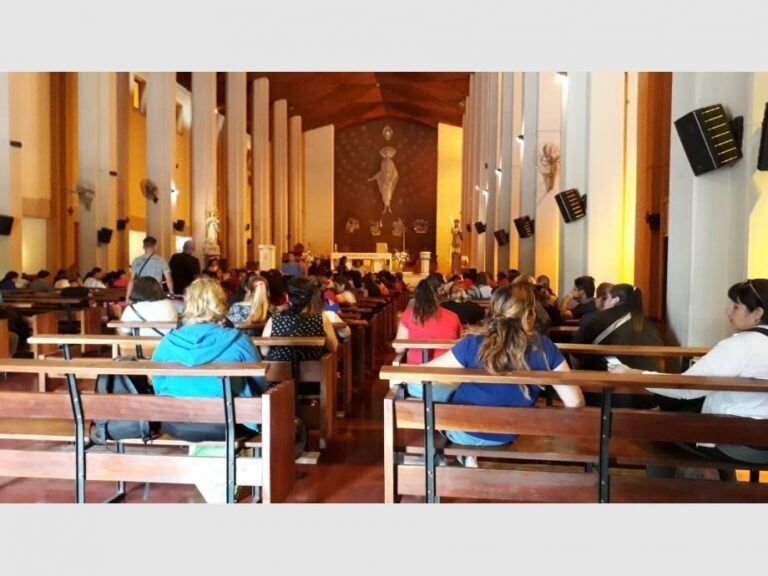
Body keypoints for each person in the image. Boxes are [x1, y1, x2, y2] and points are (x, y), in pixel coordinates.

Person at [609, 279, 768, 470]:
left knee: (652, 430)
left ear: (757, 313)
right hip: (760, 440)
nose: (727, 312)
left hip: (739, 442)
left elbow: (685, 388)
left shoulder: (740, 346)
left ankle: (675, 494)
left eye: (735, 306)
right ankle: (713, 485)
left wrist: (633, 373)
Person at [420, 283, 584, 461]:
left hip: (465, 430)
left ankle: (463, 455)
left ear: (494, 310)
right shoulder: (544, 347)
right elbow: (574, 401)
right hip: (511, 432)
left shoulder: (473, 342)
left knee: (439, 390)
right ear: (530, 313)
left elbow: (427, 371)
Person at [151, 276, 264, 503]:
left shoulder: (168, 342)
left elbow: (158, 383)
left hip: (178, 424)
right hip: (228, 424)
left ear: (188, 303)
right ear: (220, 303)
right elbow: (259, 385)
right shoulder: (238, 340)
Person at [394, 279, 462, 400]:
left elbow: (399, 348)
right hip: (449, 382)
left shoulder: (410, 314)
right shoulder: (453, 316)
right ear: (440, 295)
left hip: (418, 382)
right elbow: (460, 347)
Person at [260, 276, 338, 362]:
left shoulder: (275, 320)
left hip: (280, 371)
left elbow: (264, 351)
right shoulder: (321, 319)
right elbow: (333, 347)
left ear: (288, 298)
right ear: (310, 297)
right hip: (313, 371)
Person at [126, 236, 173, 300]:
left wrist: (127, 298)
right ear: (155, 247)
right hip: (156, 291)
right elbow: (169, 280)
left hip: (141, 291)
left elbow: (131, 280)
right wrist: (171, 293)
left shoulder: (136, 260)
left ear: (143, 247)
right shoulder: (161, 261)